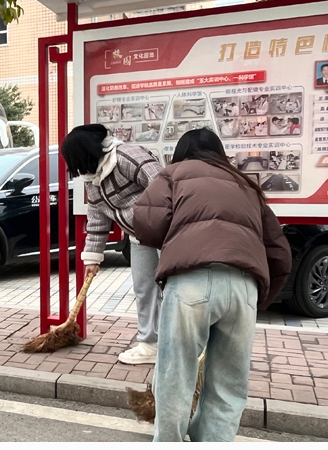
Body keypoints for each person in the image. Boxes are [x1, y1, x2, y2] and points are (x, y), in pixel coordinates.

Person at [134, 129, 291, 442]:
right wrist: (258, 300)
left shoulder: (173, 174)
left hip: (190, 280)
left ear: (180, 153)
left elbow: (147, 224)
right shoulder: (246, 185)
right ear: (219, 153)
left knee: (176, 374)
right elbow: (279, 252)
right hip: (244, 286)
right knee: (229, 383)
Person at [60, 124, 163, 365]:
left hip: (167, 234)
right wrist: (93, 258)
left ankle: (177, 344)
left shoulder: (127, 156)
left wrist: (156, 223)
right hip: (138, 237)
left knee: (172, 289)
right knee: (144, 289)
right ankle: (150, 344)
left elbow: (164, 187)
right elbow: (97, 217)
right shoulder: (91, 178)